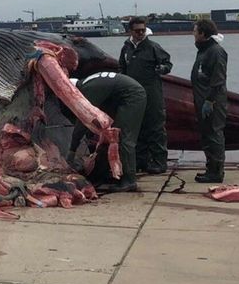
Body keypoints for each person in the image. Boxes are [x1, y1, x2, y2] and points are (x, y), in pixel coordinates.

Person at [68, 71, 146, 193]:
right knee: (108, 137)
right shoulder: (89, 81)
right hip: (121, 98)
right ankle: (105, 173)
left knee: (122, 138)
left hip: (132, 98)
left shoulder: (87, 90)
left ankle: (129, 180)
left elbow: (83, 121)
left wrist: (72, 150)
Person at [118, 16, 173, 175]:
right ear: (131, 31)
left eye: (143, 30)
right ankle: (140, 160)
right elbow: (122, 67)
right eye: (137, 31)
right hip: (133, 94)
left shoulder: (153, 47)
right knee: (138, 127)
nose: (141, 33)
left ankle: (159, 162)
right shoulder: (126, 48)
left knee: (156, 127)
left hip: (152, 92)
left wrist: (162, 68)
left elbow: (168, 63)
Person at [191, 19, 228, 183]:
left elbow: (218, 79)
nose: (193, 34)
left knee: (214, 134)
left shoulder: (216, 51)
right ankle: (210, 167)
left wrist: (210, 101)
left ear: (203, 33)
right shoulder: (203, 51)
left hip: (212, 102)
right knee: (206, 135)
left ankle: (216, 171)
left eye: (195, 31)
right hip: (202, 99)